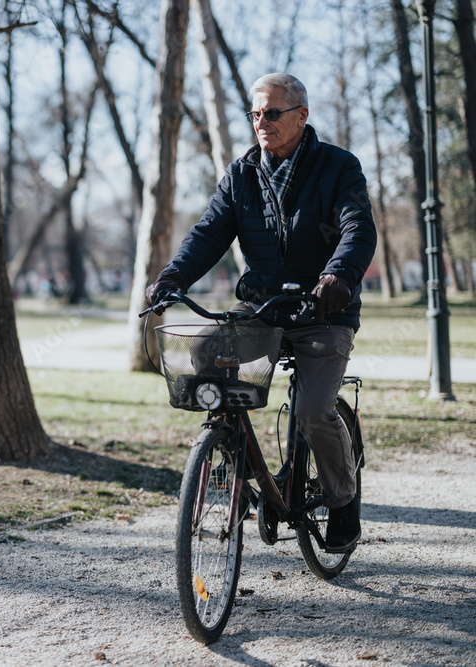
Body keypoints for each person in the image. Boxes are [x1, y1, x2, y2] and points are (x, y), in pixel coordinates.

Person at [146, 73, 376, 553]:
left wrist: (339, 277)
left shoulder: (339, 167)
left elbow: (358, 228)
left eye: (271, 113)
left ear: (300, 116)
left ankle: (342, 498)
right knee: (204, 352)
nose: (261, 122)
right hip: (262, 307)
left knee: (314, 411)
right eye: (255, 114)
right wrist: (173, 277)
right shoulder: (242, 173)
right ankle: (233, 454)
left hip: (323, 309)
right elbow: (210, 233)